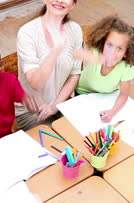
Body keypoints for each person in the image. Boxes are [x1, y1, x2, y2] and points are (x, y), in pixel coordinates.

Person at [15, 0, 82, 130]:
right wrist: (55, 50)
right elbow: (36, 83)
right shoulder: (27, 32)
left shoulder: (75, 29)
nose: (60, 0)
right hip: (30, 112)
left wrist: (54, 106)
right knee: (56, 145)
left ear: (73, 4)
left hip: (61, 103)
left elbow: (74, 75)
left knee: (85, 135)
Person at [74, 15, 134, 123]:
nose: (112, 52)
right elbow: (76, 53)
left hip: (106, 98)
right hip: (82, 94)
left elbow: (123, 94)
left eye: (119, 48)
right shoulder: (96, 52)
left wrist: (113, 112)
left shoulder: (127, 68)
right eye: (109, 45)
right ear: (103, 43)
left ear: (126, 53)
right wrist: (97, 58)